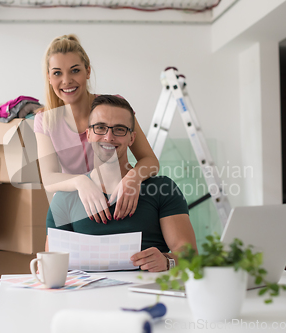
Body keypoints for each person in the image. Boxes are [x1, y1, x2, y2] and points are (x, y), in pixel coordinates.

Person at [46, 95, 197, 272]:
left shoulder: (163, 189)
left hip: (147, 293)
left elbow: (190, 255)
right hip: (87, 297)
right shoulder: (65, 198)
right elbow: (50, 266)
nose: (109, 137)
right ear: (88, 134)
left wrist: (167, 260)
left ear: (132, 138)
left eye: (119, 129)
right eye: (100, 128)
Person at [35, 34, 159, 224]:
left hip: (121, 202)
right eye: (57, 73)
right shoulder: (45, 120)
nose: (66, 80)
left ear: (88, 71)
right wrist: (81, 181)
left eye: (74, 70)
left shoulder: (115, 106)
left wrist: (132, 178)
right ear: (49, 78)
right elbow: (49, 178)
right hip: (79, 208)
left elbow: (151, 161)